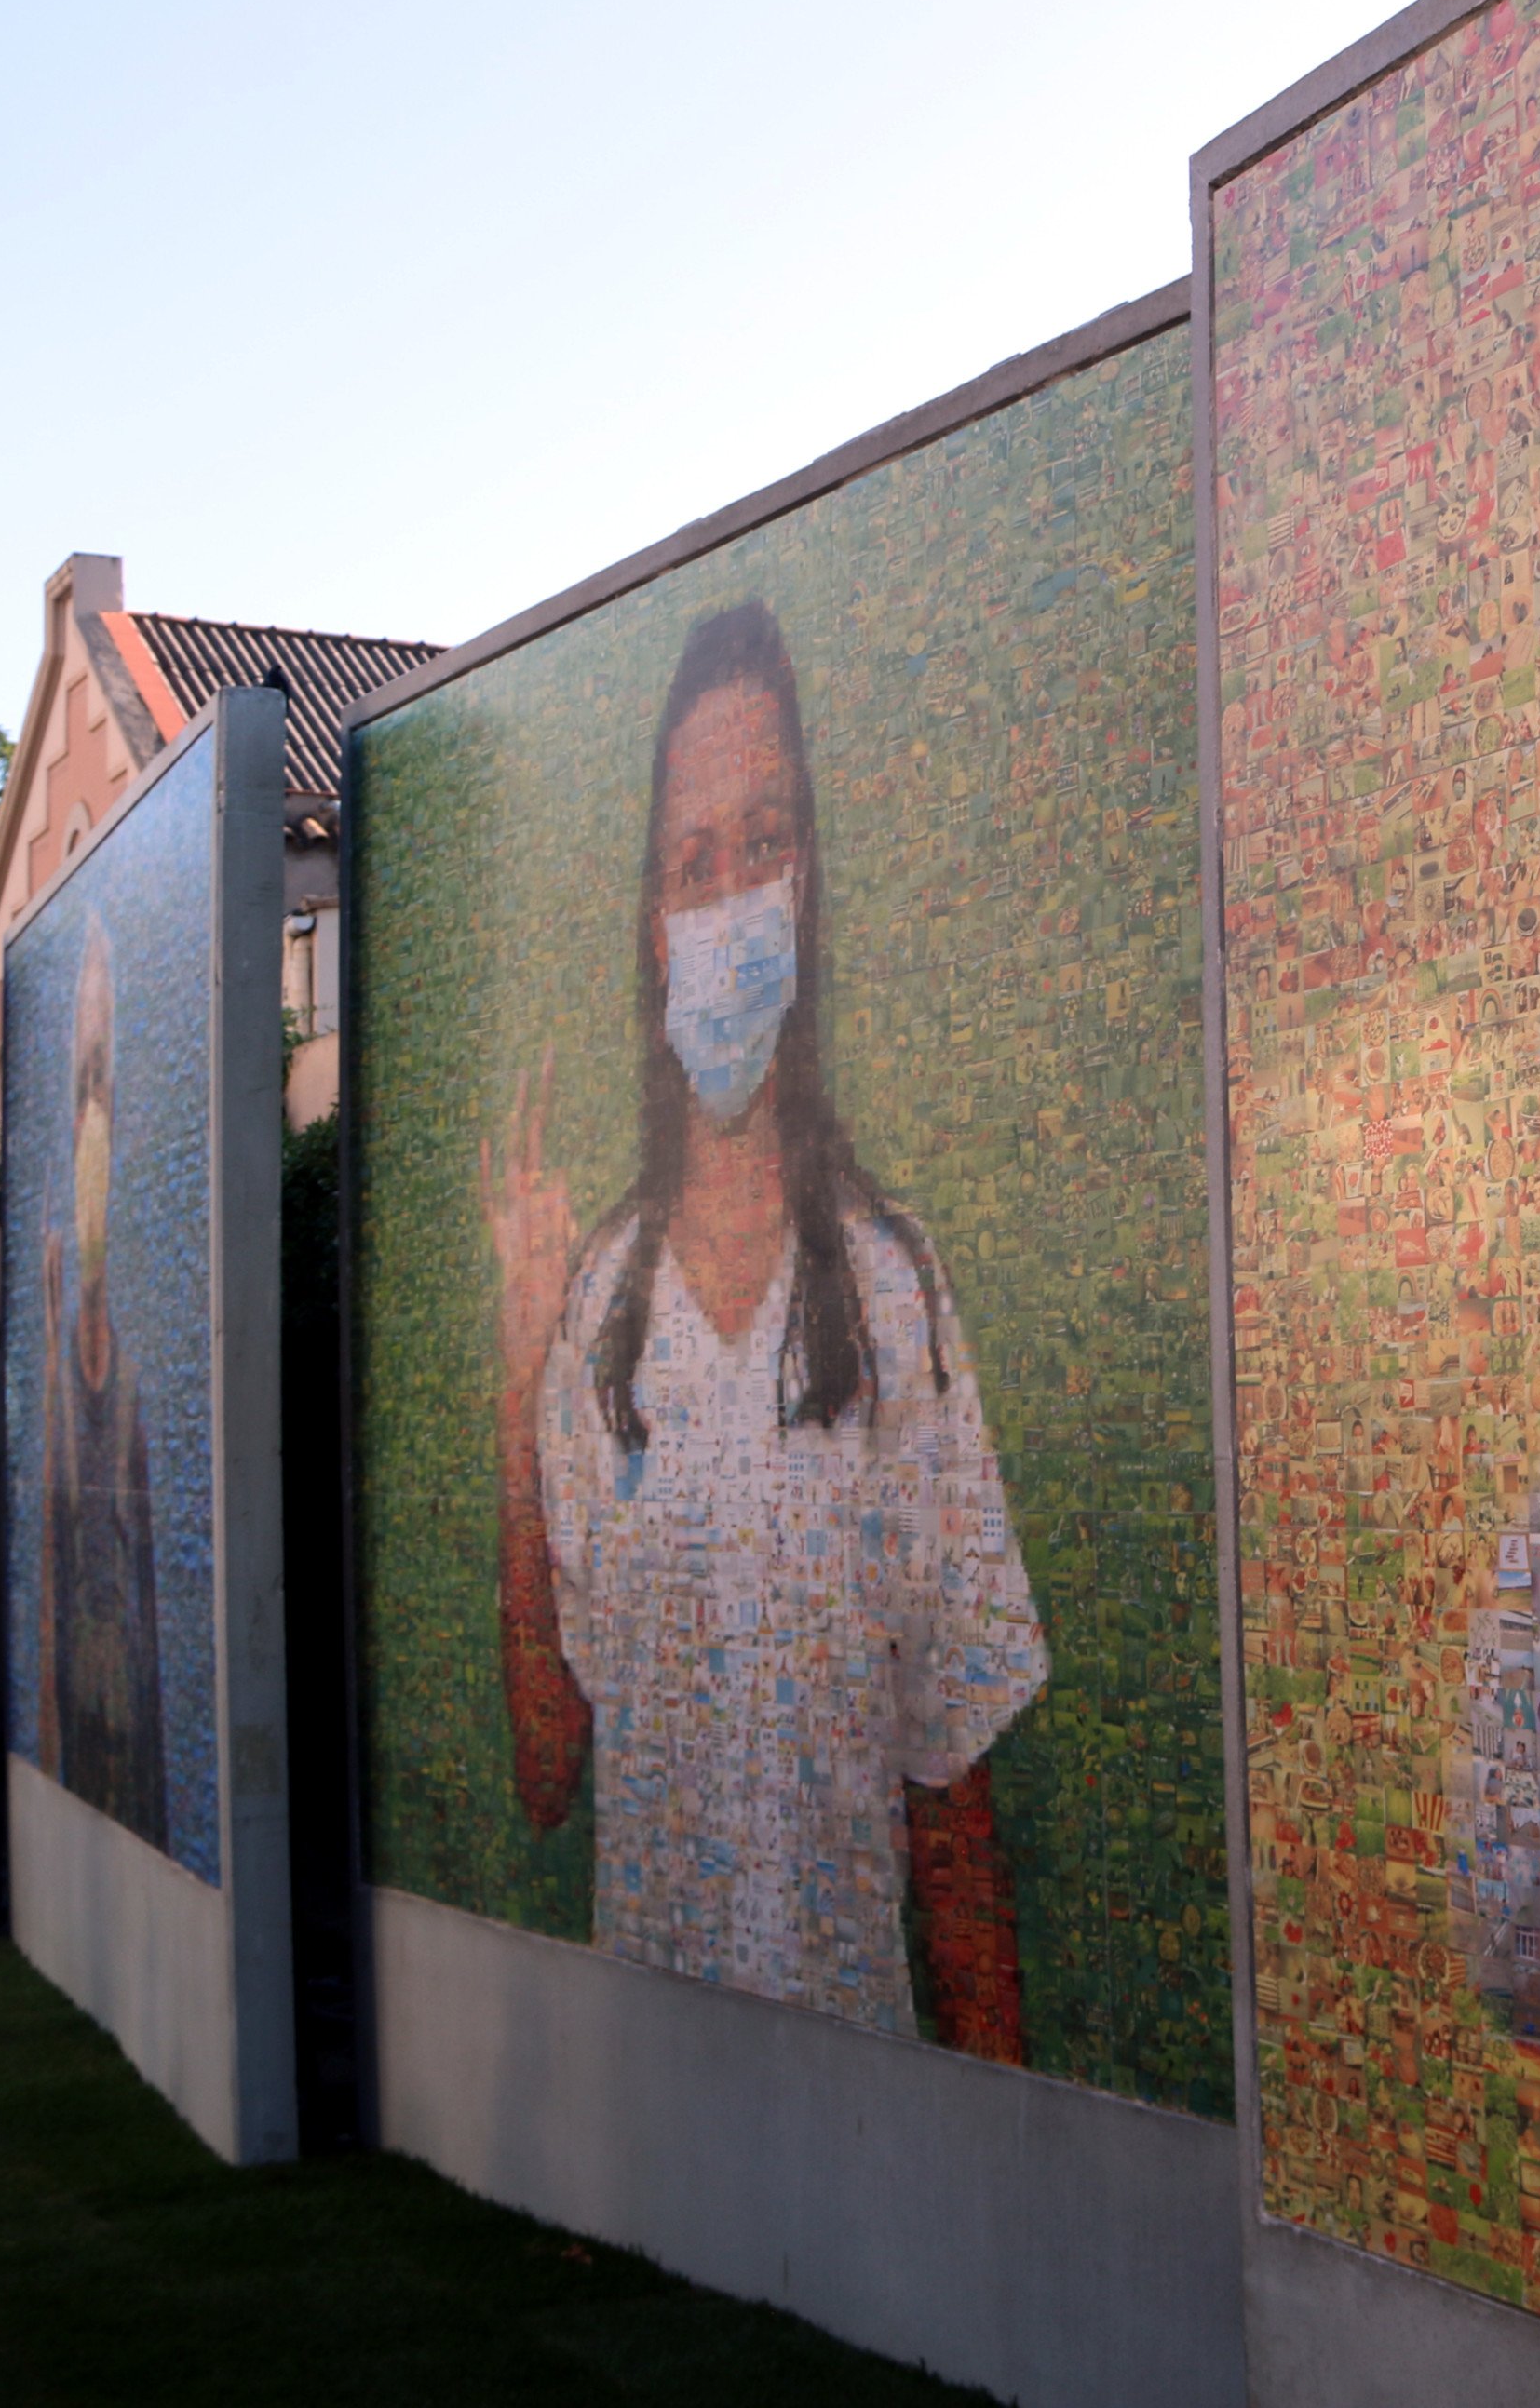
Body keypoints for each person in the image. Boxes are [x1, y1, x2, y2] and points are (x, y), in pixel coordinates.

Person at [480, 601, 1047, 2043]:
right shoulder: (601, 1307)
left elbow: (955, 1835)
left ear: (810, 883)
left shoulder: (898, 1296)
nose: (730, 889)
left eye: (766, 838)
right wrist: (514, 1382)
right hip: (654, 2129)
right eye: (693, 860)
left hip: (868, 2108)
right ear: (655, 928)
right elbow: (551, 1772)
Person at [38, 916, 165, 1846]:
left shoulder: (140, 1358)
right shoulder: (57, 1354)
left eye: (103, 1085)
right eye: (78, 1087)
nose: (92, 1120)